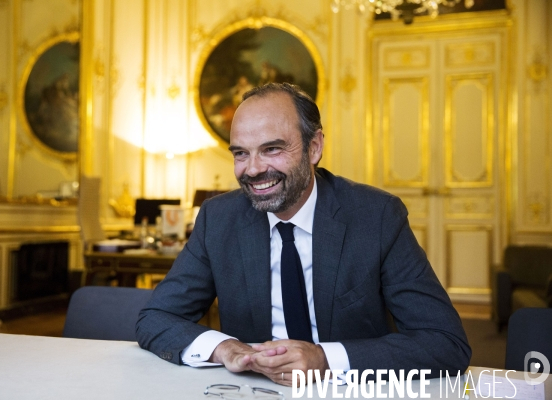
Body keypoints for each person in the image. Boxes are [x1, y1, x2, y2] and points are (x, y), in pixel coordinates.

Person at [136, 83, 471, 386]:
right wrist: (223, 348)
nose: (252, 169)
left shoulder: (376, 216)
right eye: (241, 153)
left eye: (272, 149)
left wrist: (325, 360)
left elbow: (444, 341)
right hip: (251, 391)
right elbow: (156, 318)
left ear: (314, 147)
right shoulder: (219, 218)